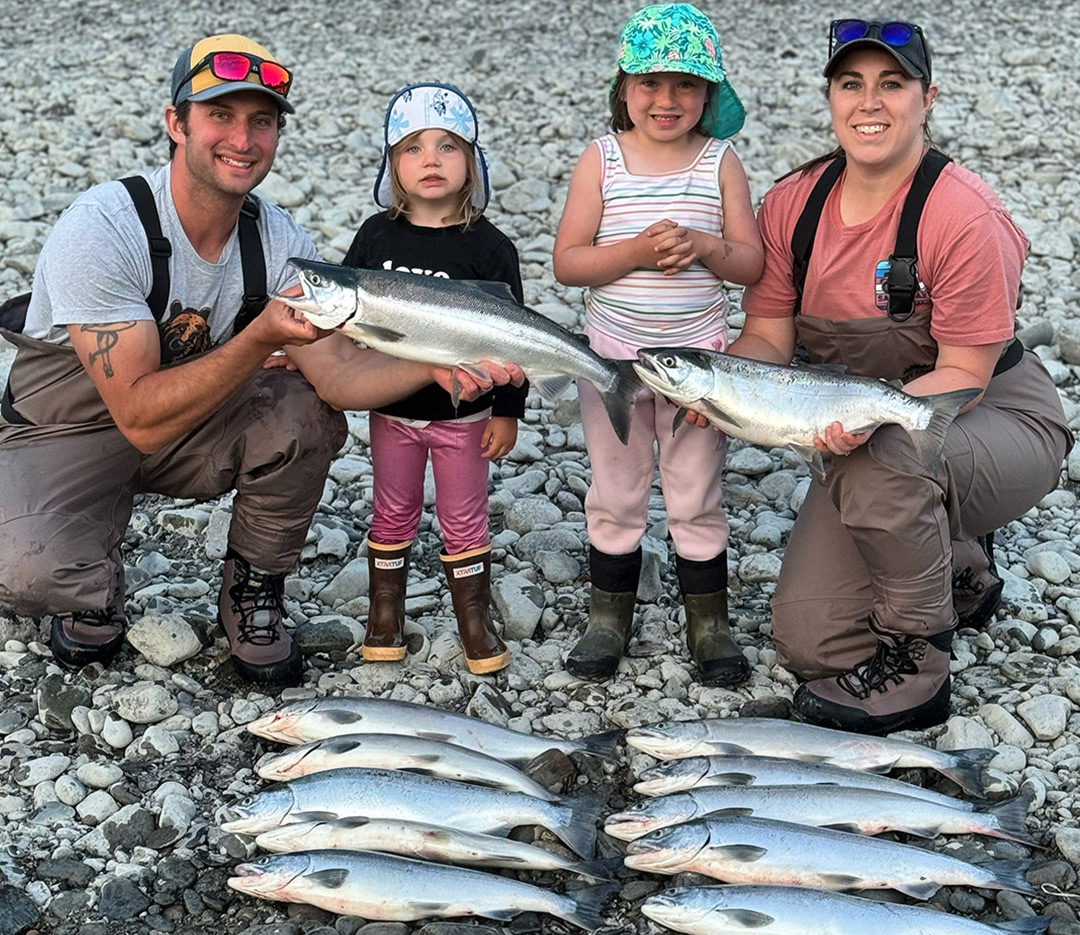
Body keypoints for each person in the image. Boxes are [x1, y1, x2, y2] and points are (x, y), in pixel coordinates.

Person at [0, 34, 521, 687]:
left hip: (186, 423)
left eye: (262, 121)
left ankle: (250, 591)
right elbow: (136, 414)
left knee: (306, 405)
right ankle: (90, 572)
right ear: (175, 122)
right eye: (220, 115)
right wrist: (256, 338)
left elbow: (338, 375)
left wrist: (437, 368)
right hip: (68, 427)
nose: (243, 139)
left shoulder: (277, 238)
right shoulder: (104, 225)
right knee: (24, 571)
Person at [712, 19, 1072, 734]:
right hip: (873, 435)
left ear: (926, 97)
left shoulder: (965, 216)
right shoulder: (792, 206)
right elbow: (765, 336)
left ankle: (922, 660)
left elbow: (965, 370)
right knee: (814, 642)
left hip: (993, 414)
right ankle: (956, 557)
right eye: (851, 84)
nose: (868, 102)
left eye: (892, 83)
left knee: (886, 452)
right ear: (831, 97)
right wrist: (716, 388)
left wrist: (872, 427)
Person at [552, 2, 764, 685]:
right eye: (649, 82)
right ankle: (608, 615)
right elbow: (570, 262)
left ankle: (710, 623)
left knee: (696, 490)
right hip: (611, 354)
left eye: (684, 84)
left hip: (699, 356)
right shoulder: (602, 160)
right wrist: (637, 252)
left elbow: (750, 265)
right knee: (615, 487)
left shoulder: (720, 162)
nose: (666, 100)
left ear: (709, 94)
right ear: (623, 89)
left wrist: (705, 246)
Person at [341, 82, 527, 675]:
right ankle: (384, 615)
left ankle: (473, 620)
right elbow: (345, 317)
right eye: (413, 148)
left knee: (464, 518)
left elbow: (516, 340)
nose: (430, 160)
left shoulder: (492, 249)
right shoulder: (376, 237)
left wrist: (507, 410)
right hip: (392, 413)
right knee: (390, 511)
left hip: (464, 420)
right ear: (392, 163)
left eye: (448, 146)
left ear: (473, 162)